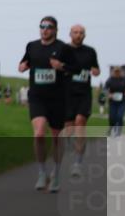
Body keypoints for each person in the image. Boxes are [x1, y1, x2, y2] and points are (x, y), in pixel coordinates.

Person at [17, 16, 80, 193]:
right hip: (37, 97)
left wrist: (61, 67)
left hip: (58, 98)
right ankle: (42, 173)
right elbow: (25, 62)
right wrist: (22, 66)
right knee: (38, 133)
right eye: (42, 26)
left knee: (56, 137)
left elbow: (76, 69)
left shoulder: (63, 48)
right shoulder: (32, 46)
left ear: (55, 30)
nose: (45, 30)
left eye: (49, 27)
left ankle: (57, 174)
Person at [64, 24, 101, 177]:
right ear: (70, 34)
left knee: (80, 122)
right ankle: (70, 151)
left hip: (84, 93)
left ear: (84, 35)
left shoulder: (90, 51)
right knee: (69, 128)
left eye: (81, 33)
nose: (78, 35)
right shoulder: (63, 50)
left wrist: (95, 71)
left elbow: (97, 69)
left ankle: (77, 163)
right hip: (66, 94)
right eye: (76, 32)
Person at [105, 66, 125, 137]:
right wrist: (109, 94)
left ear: (120, 72)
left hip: (122, 102)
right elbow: (105, 88)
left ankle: (119, 130)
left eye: (118, 71)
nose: (117, 73)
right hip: (112, 102)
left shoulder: (124, 80)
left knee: (119, 116)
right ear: (114, 72)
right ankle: (111, 128)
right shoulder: (110, 80)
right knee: (112, 117)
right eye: (116, 72)